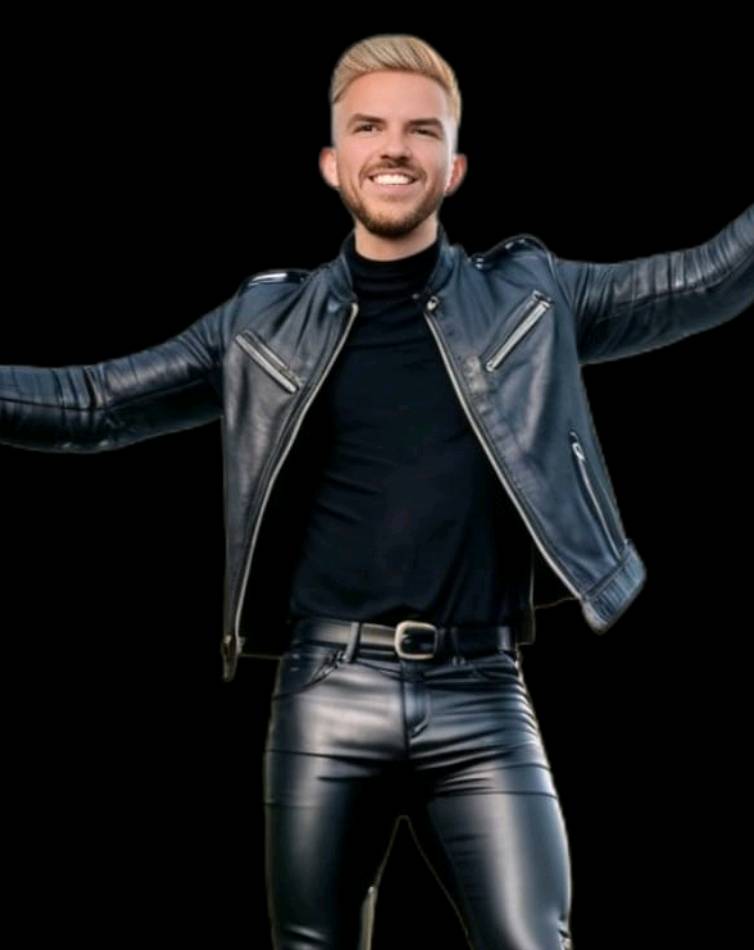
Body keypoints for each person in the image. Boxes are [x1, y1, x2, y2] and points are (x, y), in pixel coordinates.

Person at [1, 32, 752, 950]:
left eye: (420, 131)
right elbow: (93, 405)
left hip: (484, 693)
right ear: (332, 162)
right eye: (368, 127)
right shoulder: (262, 323)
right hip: (325, 695)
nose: (394, 147)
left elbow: (714, 278)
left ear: (454, 167)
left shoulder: (533, 296)